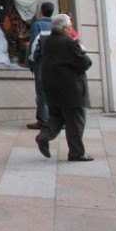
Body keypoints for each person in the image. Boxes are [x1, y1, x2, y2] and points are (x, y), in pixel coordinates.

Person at [35, 13, 93, 162]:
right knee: (75, 121)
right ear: (65, 28)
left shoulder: (48, 42)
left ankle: (44, 136)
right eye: (70, 27)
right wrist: (79, 47)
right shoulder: (69, 43)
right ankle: (76, 152)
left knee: (56, 116)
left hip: (52, 87)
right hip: (71, 89)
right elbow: (85, 63)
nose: (71, 29)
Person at [26, 1, 54, 130]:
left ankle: (43, 121)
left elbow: (33, 46)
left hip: (42, 62)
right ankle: (53, 120)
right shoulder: (55, 25)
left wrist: (32, 61)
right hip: (55, 62)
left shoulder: (38, 25)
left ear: (41, 11)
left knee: (41, 91)